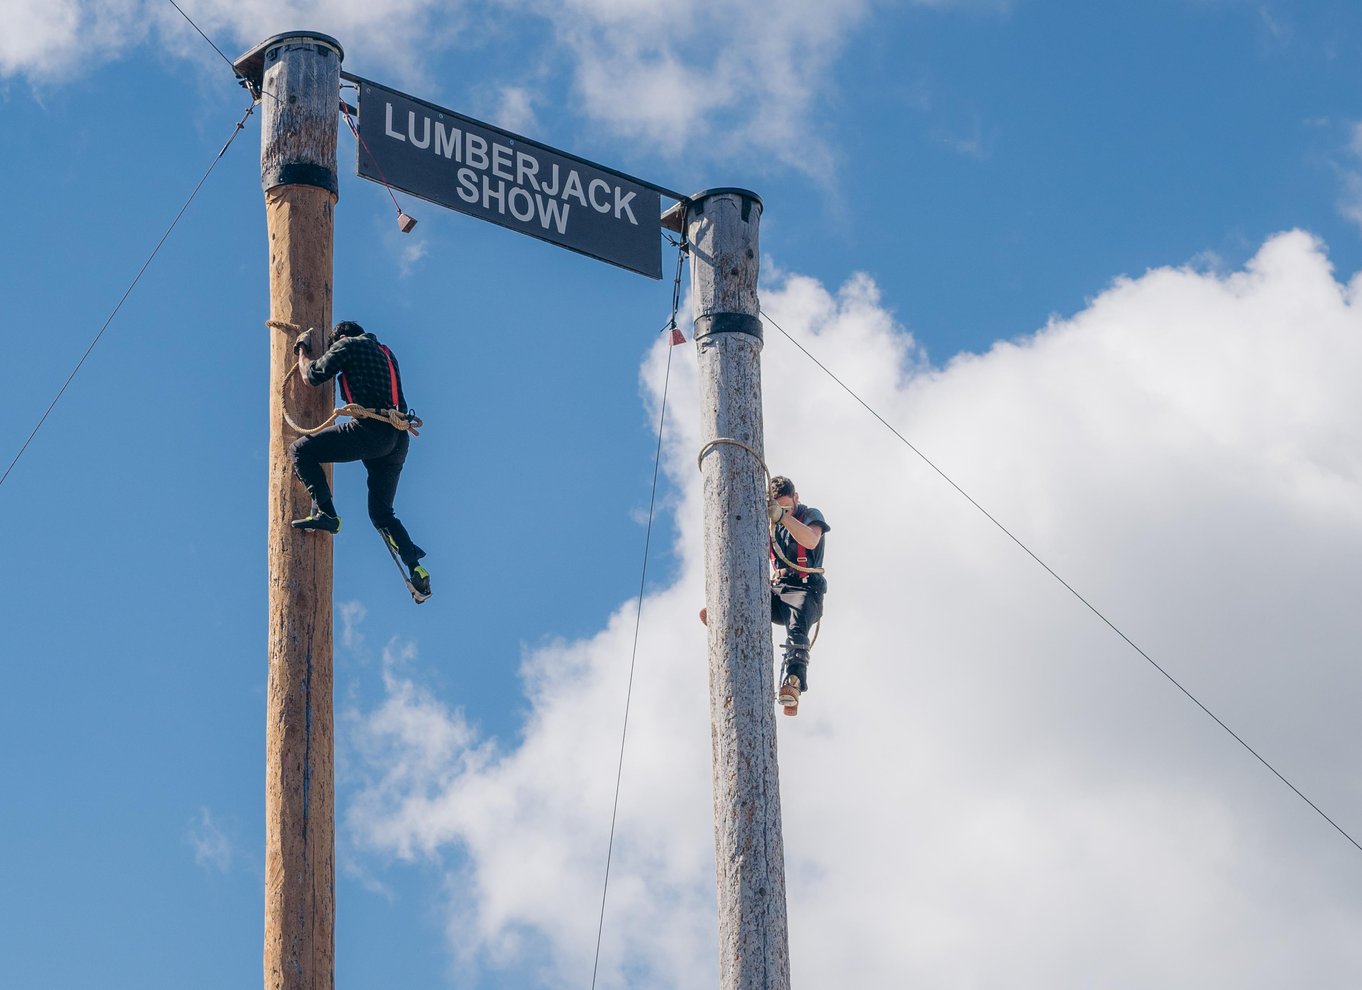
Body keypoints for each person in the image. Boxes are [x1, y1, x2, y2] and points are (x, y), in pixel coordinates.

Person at [288, 320, 431, 603]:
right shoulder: (386, 352)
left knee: (301, 451)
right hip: (397, 440)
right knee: (381, 513)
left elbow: (312, 376)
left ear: (340, 337)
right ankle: (415, 565)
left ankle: (326, 514)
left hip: (372, 432)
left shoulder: (348, 345)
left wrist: (302, 350)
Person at [767, 475, 829, 714]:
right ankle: (726, 615)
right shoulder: (771, 527)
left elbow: (811, 540)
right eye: (779, 508)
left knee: (796, 629)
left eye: (787, 507)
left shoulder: (810, 515)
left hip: (805, 590)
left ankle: (793, 682)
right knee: (749, 595)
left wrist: (783, 517)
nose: (784, 512)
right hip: (778, 590)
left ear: (796, 498)